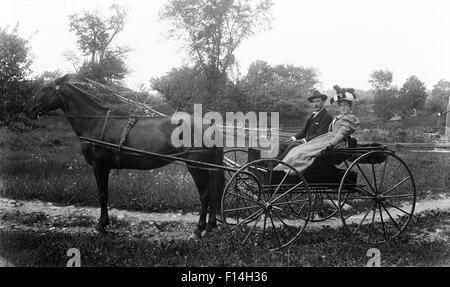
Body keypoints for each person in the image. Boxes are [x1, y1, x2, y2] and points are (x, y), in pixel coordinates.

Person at [274, 86, 360, 173]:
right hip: (327, 139)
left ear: (350, 106)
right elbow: (306, 131)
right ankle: (278, 166)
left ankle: (281, 169)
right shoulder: (340, 117)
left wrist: (331, 144)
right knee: (297, 149)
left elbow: (342, 132)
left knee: (301, 151)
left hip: (336, 142)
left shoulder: (350, 118)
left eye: (345, 105)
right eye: (341, 106)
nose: (343, 108)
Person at [271, 90, 332, 159]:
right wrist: (293, 138)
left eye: (318, 101)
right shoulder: (313, 116)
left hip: (315, 145)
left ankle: (277, 165)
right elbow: (304, 132)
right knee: (281, 145)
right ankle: (271, 162)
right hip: (308, 143)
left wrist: (303, 140)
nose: (315, 104)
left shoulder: (326, 116)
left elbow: (320, 135)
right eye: (313, 102)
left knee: (293, 146)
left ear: (323, 102)